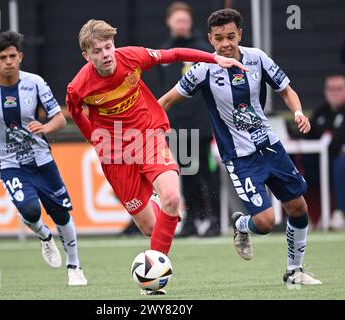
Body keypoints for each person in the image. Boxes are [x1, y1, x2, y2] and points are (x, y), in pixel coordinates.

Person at [65, 19, 246, 294]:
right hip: (114, 153)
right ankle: (161, 215)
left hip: (148, 136)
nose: (106, 55)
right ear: (86, 55)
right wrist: (93, 137)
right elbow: (75, 112)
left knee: (172, 199)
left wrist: (214, 58)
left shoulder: (131, 57)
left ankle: (152, 282)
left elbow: (173, 55)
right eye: (98, 51)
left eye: (108, 47)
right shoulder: (79, 86)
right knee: (151, 227)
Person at [158, 8, 322, 285]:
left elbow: (286, 90)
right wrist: (145, 127)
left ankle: (294, 272)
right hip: (240, 157)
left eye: (231, 36)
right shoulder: (202, 69)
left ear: (240, 34)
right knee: (265, 223)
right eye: (220, 38)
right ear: (210, 39)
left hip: (270, 147)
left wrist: (297, 113)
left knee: (298, 207)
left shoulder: (257, 58)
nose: (226, 44)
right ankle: (241, 224)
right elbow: (167, 100)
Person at [0, 31, 87, 286]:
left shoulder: (34, 83)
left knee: (60, 213)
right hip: (9, 163)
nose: (8, 62)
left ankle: (74, 266)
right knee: (29, 209)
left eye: (13, 56)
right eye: (2, 57)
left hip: (42, 160)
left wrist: (45, 128)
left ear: (20, 56)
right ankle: (45, 236)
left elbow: (58, 118)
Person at [158, 2, 220, 237]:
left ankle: (214, 220)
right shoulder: (164, 54)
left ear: (190, 22)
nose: (181, 24)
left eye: (185, 20)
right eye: (177, 20)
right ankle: (192, 220)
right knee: (186, 175)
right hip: (177, 124)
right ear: (169, 22)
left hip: (201, 123)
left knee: (206, 172)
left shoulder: (202, 50)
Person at [306, 75, 345, 229]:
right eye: (330, 89)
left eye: (339, 89)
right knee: (303, 162)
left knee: (341, 165)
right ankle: (304, 214)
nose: (334, 93)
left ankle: (339, 212)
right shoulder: (321, 112)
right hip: (322, 162)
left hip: (339, 161)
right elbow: (309, 136)